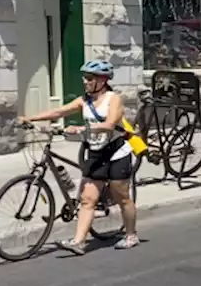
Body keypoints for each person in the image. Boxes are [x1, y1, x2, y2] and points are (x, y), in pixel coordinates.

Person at [18, 60, 139, 253]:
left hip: (116, 152)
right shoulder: (84, 101)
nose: (85, 81)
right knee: (87, 198)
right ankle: (79, 241)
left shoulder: (113, 99)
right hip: (96, 151)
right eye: (84, 77)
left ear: (103, 80)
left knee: (122, 196)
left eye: (89, 78)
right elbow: (59, 110)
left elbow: (109, 125)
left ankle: (131, 235)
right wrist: (30, 118)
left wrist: (81, 129)